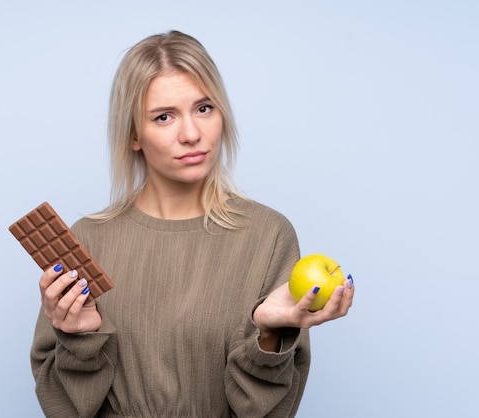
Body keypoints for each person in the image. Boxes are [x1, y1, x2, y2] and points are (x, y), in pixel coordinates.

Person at [30, 30, 354, 418]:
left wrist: (268, 335)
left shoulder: (269, 235)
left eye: (204, 109)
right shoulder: (86, 240)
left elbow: (271, 410)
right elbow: (61, 405)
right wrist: (79, 339)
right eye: (164, 117)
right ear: (134, 133)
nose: (191, 134)